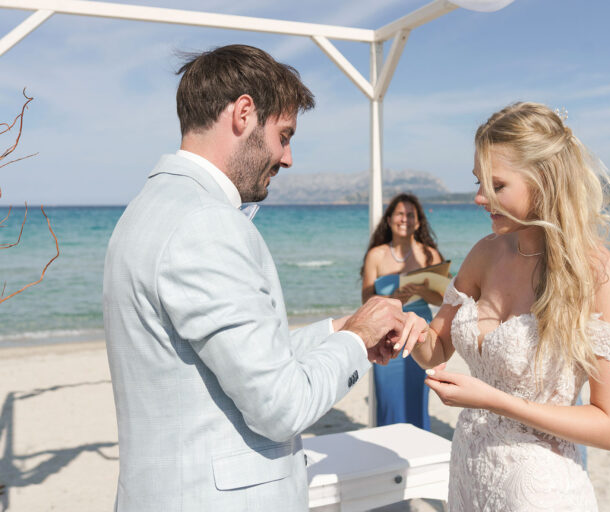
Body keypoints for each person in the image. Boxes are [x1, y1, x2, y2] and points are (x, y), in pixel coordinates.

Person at [102, 45, 426, 512]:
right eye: (284, 135)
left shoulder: (149, 210)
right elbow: (281, 406)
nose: (288, 157)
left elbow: (236, 364)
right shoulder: (205, 223)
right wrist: (356, 341)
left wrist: (338, 330)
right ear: (244, 113)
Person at [403, 102, 610, 510]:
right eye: (479, 182)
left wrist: (494, 400)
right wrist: (408, 327)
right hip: (468, 476)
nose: (480, 198)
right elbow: (434, 350)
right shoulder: (484, 252)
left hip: (539, 491)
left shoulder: (598, 275)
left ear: (544, 181)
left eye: (497, 186)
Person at [360, 193, 444, 429]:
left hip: (420, 335)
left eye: (410, 215)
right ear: (389, 220)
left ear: (418, 222)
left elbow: (442, 298)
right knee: (387, 398)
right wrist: (392, 298)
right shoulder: (376, 255)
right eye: (399, 214)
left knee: (417, 396)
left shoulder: (429, 254)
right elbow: (366, 298)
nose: (404, 219)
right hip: (384, 333)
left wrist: (420, 290)